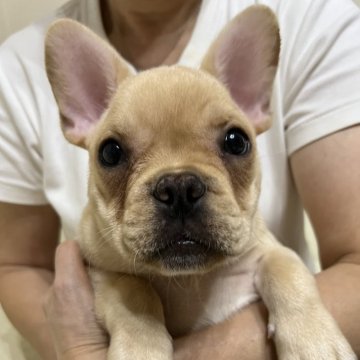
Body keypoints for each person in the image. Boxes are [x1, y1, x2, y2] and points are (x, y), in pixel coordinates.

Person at [0, 0, 360, 359]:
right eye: (116, 155)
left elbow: (274, 259)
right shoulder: (16, 66)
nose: (180, 193)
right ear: (84, 114)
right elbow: (23, 266)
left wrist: (298, 304)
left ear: (254, 104)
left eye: (232, 144)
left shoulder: (312, 13)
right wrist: (120, 324)